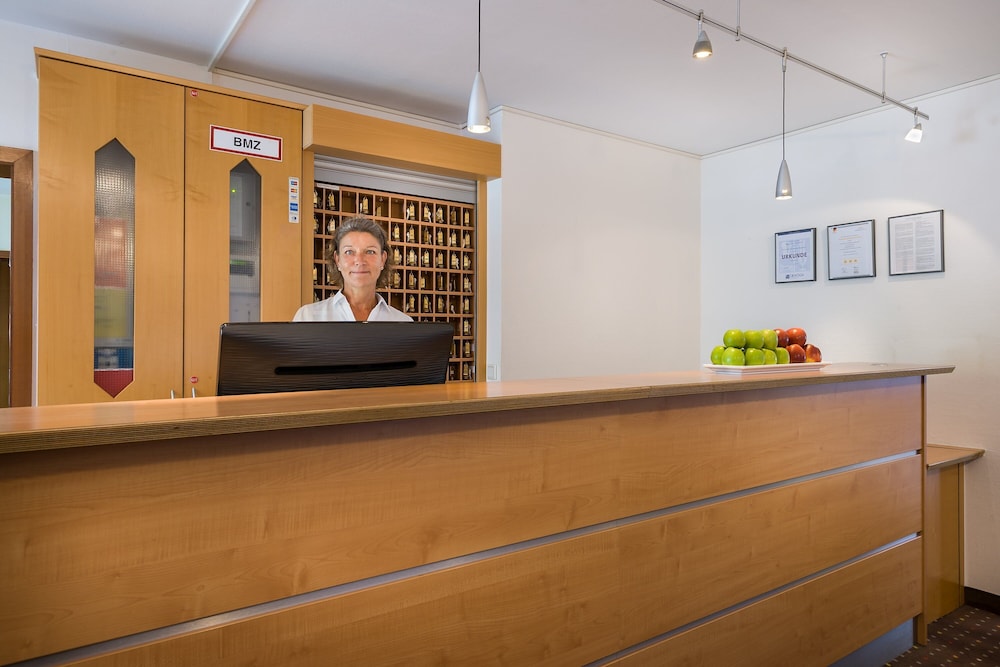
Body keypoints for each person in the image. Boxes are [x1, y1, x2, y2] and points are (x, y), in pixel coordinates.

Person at [293, 216, 412, 322]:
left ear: (383, 259)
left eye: (370, 252)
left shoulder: (403, 323)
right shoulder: (308, 317)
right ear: (337, 260)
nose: (359, 261)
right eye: (349, 252)